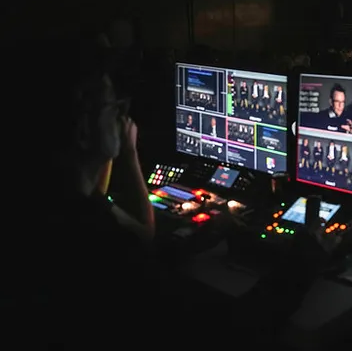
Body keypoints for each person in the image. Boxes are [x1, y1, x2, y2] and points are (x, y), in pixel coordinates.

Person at [12, 35, 335, 345]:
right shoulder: (91, 234)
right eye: (115, 108)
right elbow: (230, 331)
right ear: (84, 129)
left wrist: (192, 244)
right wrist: (303, 261)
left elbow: (139, 269)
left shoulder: (48, 208)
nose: (125, 118)